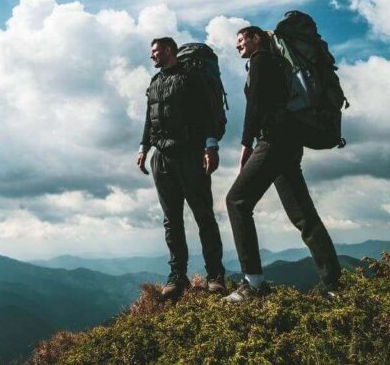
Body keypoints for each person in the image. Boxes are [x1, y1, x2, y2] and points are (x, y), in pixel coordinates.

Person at [224, 26, 342, 303]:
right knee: (304, 216)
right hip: (290, 142)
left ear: (256, 39)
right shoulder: (277, 63)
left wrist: (245, 143)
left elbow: (256, 103)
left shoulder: (261, 60)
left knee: (237, 201)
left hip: (273, 141)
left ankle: (253, 283)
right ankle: (334, 284)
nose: (237, 45)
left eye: (241, 40)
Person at [136, 37, 226, 300]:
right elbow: (149, 118)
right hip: (161, 157)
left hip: (190, 153)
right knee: (171, 220)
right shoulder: (154, 83)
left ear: (168, 50)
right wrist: (143, 148)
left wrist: (211, 146)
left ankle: (215, 275)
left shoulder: (191, 78)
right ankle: (177, 276)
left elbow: (207, 112)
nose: (152, 56)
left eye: (155, 51)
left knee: (203, 215)